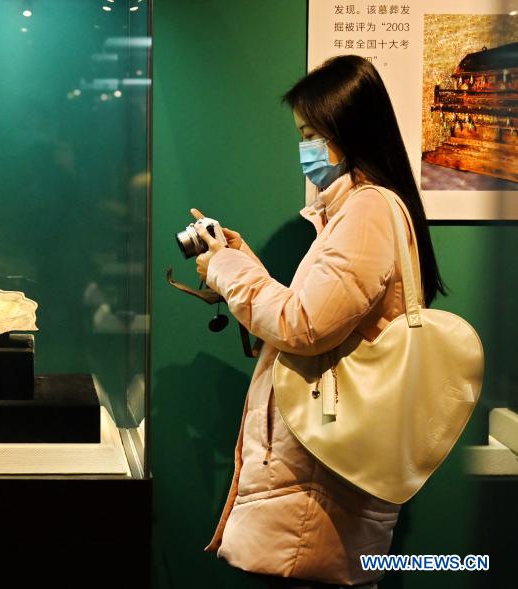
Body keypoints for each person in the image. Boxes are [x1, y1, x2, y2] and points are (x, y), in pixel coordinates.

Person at [191, 55, 447, 588]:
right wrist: (243, 264)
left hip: (319, 481)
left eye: (310, 133)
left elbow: (302, 326)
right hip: (319, 471)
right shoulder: (357, 212)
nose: (304, 147)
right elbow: (318, 314)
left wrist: (224, 268)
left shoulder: (367, 212)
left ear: (345, 131)